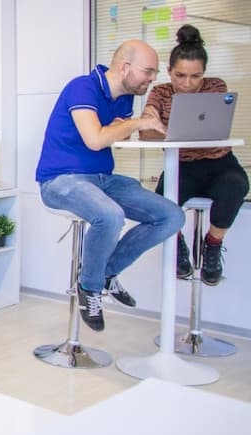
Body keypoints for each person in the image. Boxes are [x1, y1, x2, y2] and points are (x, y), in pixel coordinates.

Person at [35, 40, 185, 332]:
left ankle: (105, 272)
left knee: (172, 216)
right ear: (125, 67)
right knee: (111, 215)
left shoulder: (126, 97)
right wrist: (136, 123)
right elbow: (95, 139)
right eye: (149, 71)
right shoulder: (83, 87)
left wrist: (145, 126)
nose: (153, 78)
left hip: (103, 179)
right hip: (61, 180)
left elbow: (117, 136)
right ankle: (89, 288)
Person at [140, 24, 249, 285]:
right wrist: (172, 130)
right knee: (162, 202)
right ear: (169, 72)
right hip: (181, 165)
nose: (187, 84)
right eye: (180, 76)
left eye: (195, 76)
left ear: (204, 74)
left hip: (219, 164)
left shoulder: (215, 86)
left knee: (236, 186)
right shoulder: (160, 92)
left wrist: (165, 129)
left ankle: (212, 245)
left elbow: (215, 127)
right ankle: (178, 246)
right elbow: (145, 133)